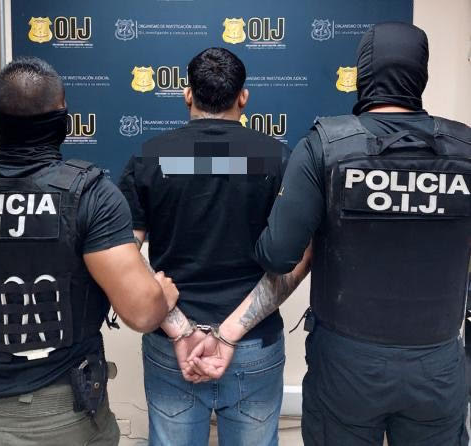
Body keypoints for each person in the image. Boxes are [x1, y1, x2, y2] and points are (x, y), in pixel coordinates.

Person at [0, 57, 179, 446]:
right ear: (64, 123)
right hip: (62, 416)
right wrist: (162, 295)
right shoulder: (91, 197)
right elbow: (142, 312)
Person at [255, 22, 471, 446]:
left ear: (364, 72)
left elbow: (278, 255)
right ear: (420, 73)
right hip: (438, 363)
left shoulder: (324, 146)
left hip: (347, 365)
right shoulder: (465, 149)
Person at [119, 47, 311, 446]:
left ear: (187, 94)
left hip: (172, 344)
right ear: (243, 97)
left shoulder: (149, 157)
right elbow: (300, 256)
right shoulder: (278, 158)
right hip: (252, 343)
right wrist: (229, 333)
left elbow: (122, 255)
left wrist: (179, 330)